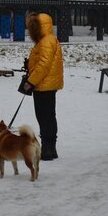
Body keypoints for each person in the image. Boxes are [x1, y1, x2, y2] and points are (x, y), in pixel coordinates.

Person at [20, 12, 64, 160]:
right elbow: (43, 62)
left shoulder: (46, 41)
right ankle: (50, 149)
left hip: (43, 85)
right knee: (49, 116)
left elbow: (44, 65)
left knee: (44, 117)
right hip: (48, 84)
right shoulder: (49, 40)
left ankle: (47, 150)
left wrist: (30, 82)